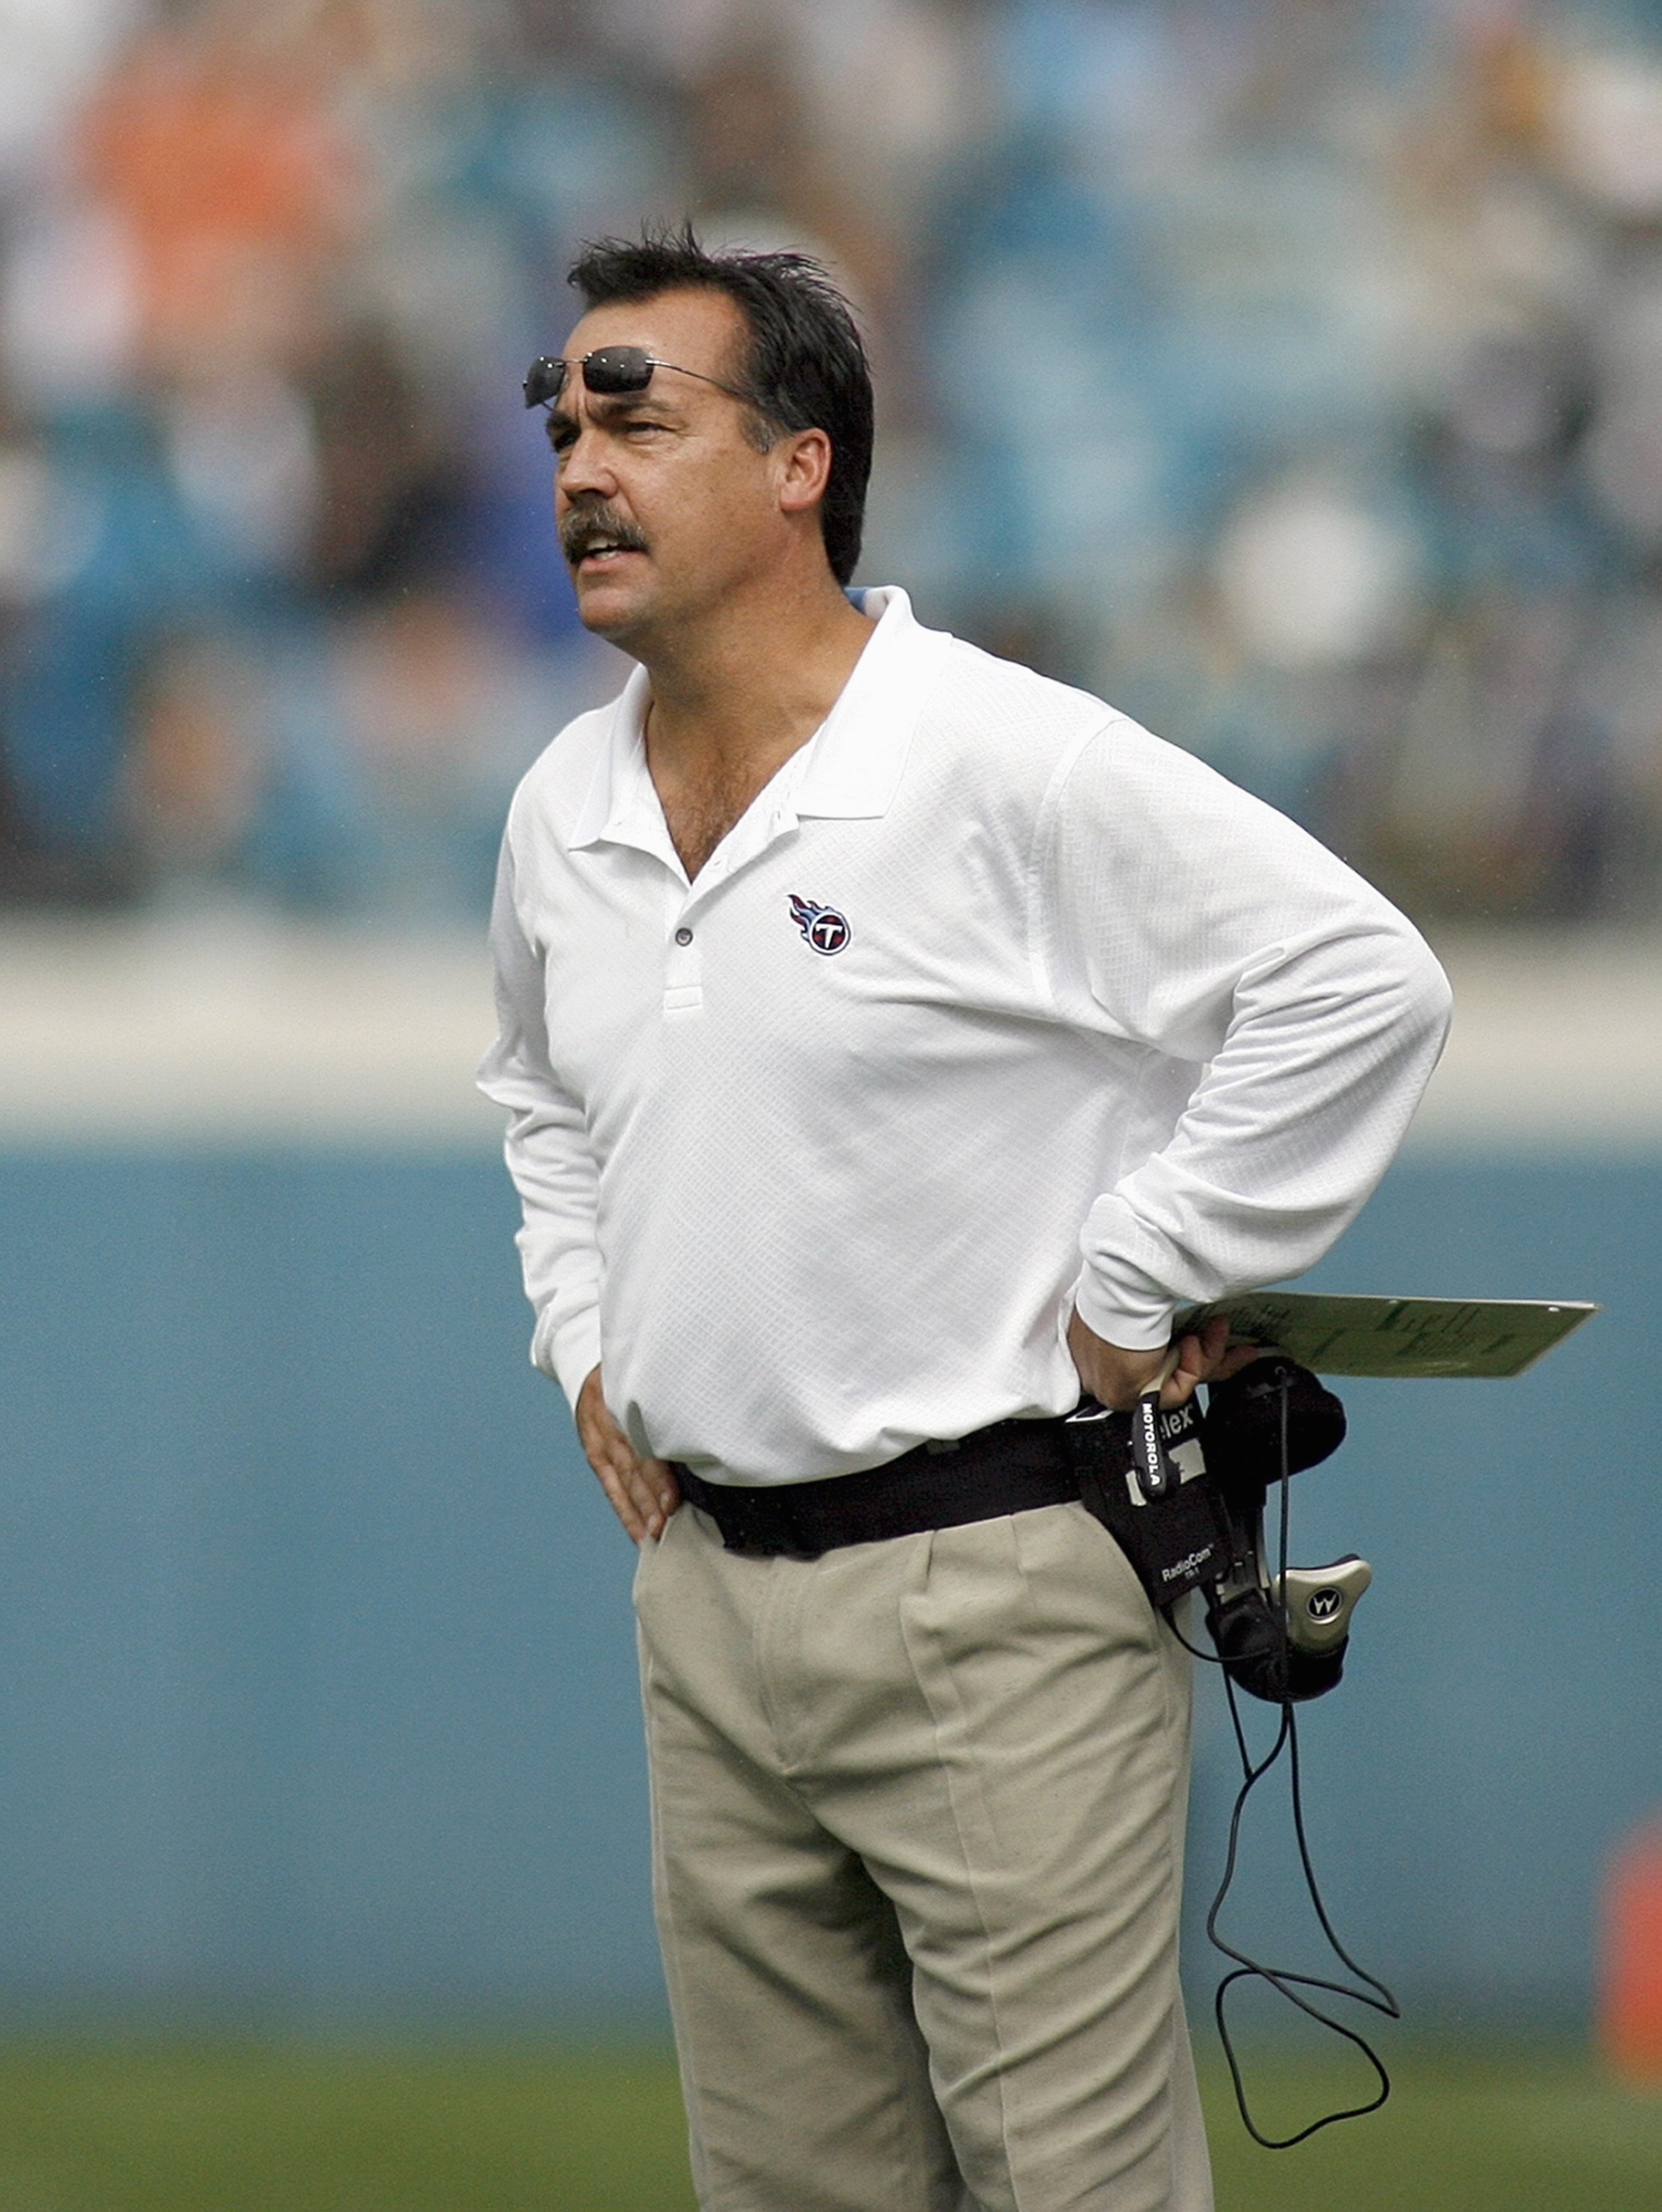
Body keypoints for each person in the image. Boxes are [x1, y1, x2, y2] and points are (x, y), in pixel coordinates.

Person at [478, 225, 1451, 2212]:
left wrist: (1137, 1264)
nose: (575, 459)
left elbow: (1358, 979)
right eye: (558, 419)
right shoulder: (557, 808)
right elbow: (539, 1103)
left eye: (633, 413)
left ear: (796, 463)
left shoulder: (994, 753)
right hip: (710, 1599)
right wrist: (581, 1332)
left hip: (998, 1579)